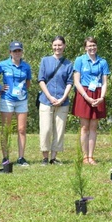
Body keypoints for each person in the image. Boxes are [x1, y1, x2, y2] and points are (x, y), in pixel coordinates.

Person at [72, 37, 109, 165]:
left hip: (98, 94)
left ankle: (91, 156)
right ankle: (84, 157)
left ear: (96, 46)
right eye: (89, 46)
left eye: (94, 45)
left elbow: (104, 82)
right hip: (84, 93)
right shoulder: (80, 60)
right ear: (85, 47)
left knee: (93, 126)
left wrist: (102, 97)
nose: (92, 48)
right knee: (84, 127)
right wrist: (85, 96)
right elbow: (76, 81)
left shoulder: (102, 62)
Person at [37, 36, 73, 164]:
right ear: (52, 46)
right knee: (46, 129)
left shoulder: (68, 64)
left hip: (62, 102)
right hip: (46, 100)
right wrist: (50, 96)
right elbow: (40, 80)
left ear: (64, 46)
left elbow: (69, 82)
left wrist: (63, 97)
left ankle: (53, 158)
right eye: (55, 45)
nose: (57, 47)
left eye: (60, 45)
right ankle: (45, 157)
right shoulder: (45, 61)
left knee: (59, 130)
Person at [0, 41, 32, 166]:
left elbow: (28, 82)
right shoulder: (3, 64)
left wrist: (22, 92)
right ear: (10, 52)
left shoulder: (26, 66)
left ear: (22, 52)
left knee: (22, 129)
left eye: (19, 50)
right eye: (14, 51)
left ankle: (21, 157)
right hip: (7, 99)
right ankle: (5, 157)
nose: (17, 53)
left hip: (22, 100)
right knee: (6, 129)